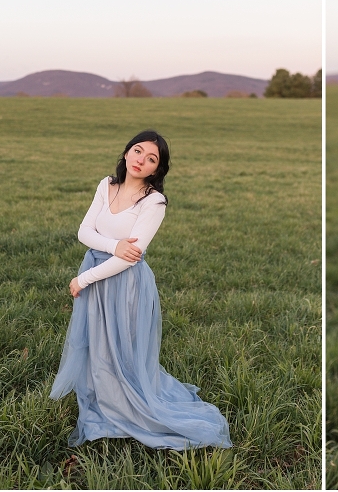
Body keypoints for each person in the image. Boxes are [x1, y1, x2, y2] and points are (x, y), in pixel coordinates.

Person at [50, 130, 232, 450]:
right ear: (126, 153)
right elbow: (84, 231)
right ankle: (102, 391)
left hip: (123, 282)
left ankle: (127, 403)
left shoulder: (154, 201)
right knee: (97, 342)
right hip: (95, 268)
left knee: (123, 348)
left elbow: (129, 259)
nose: (141, 160)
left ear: (155, 170)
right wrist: (113, 245)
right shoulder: (106, 185)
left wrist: (85, 279)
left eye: (151, 159)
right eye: (138, 151)